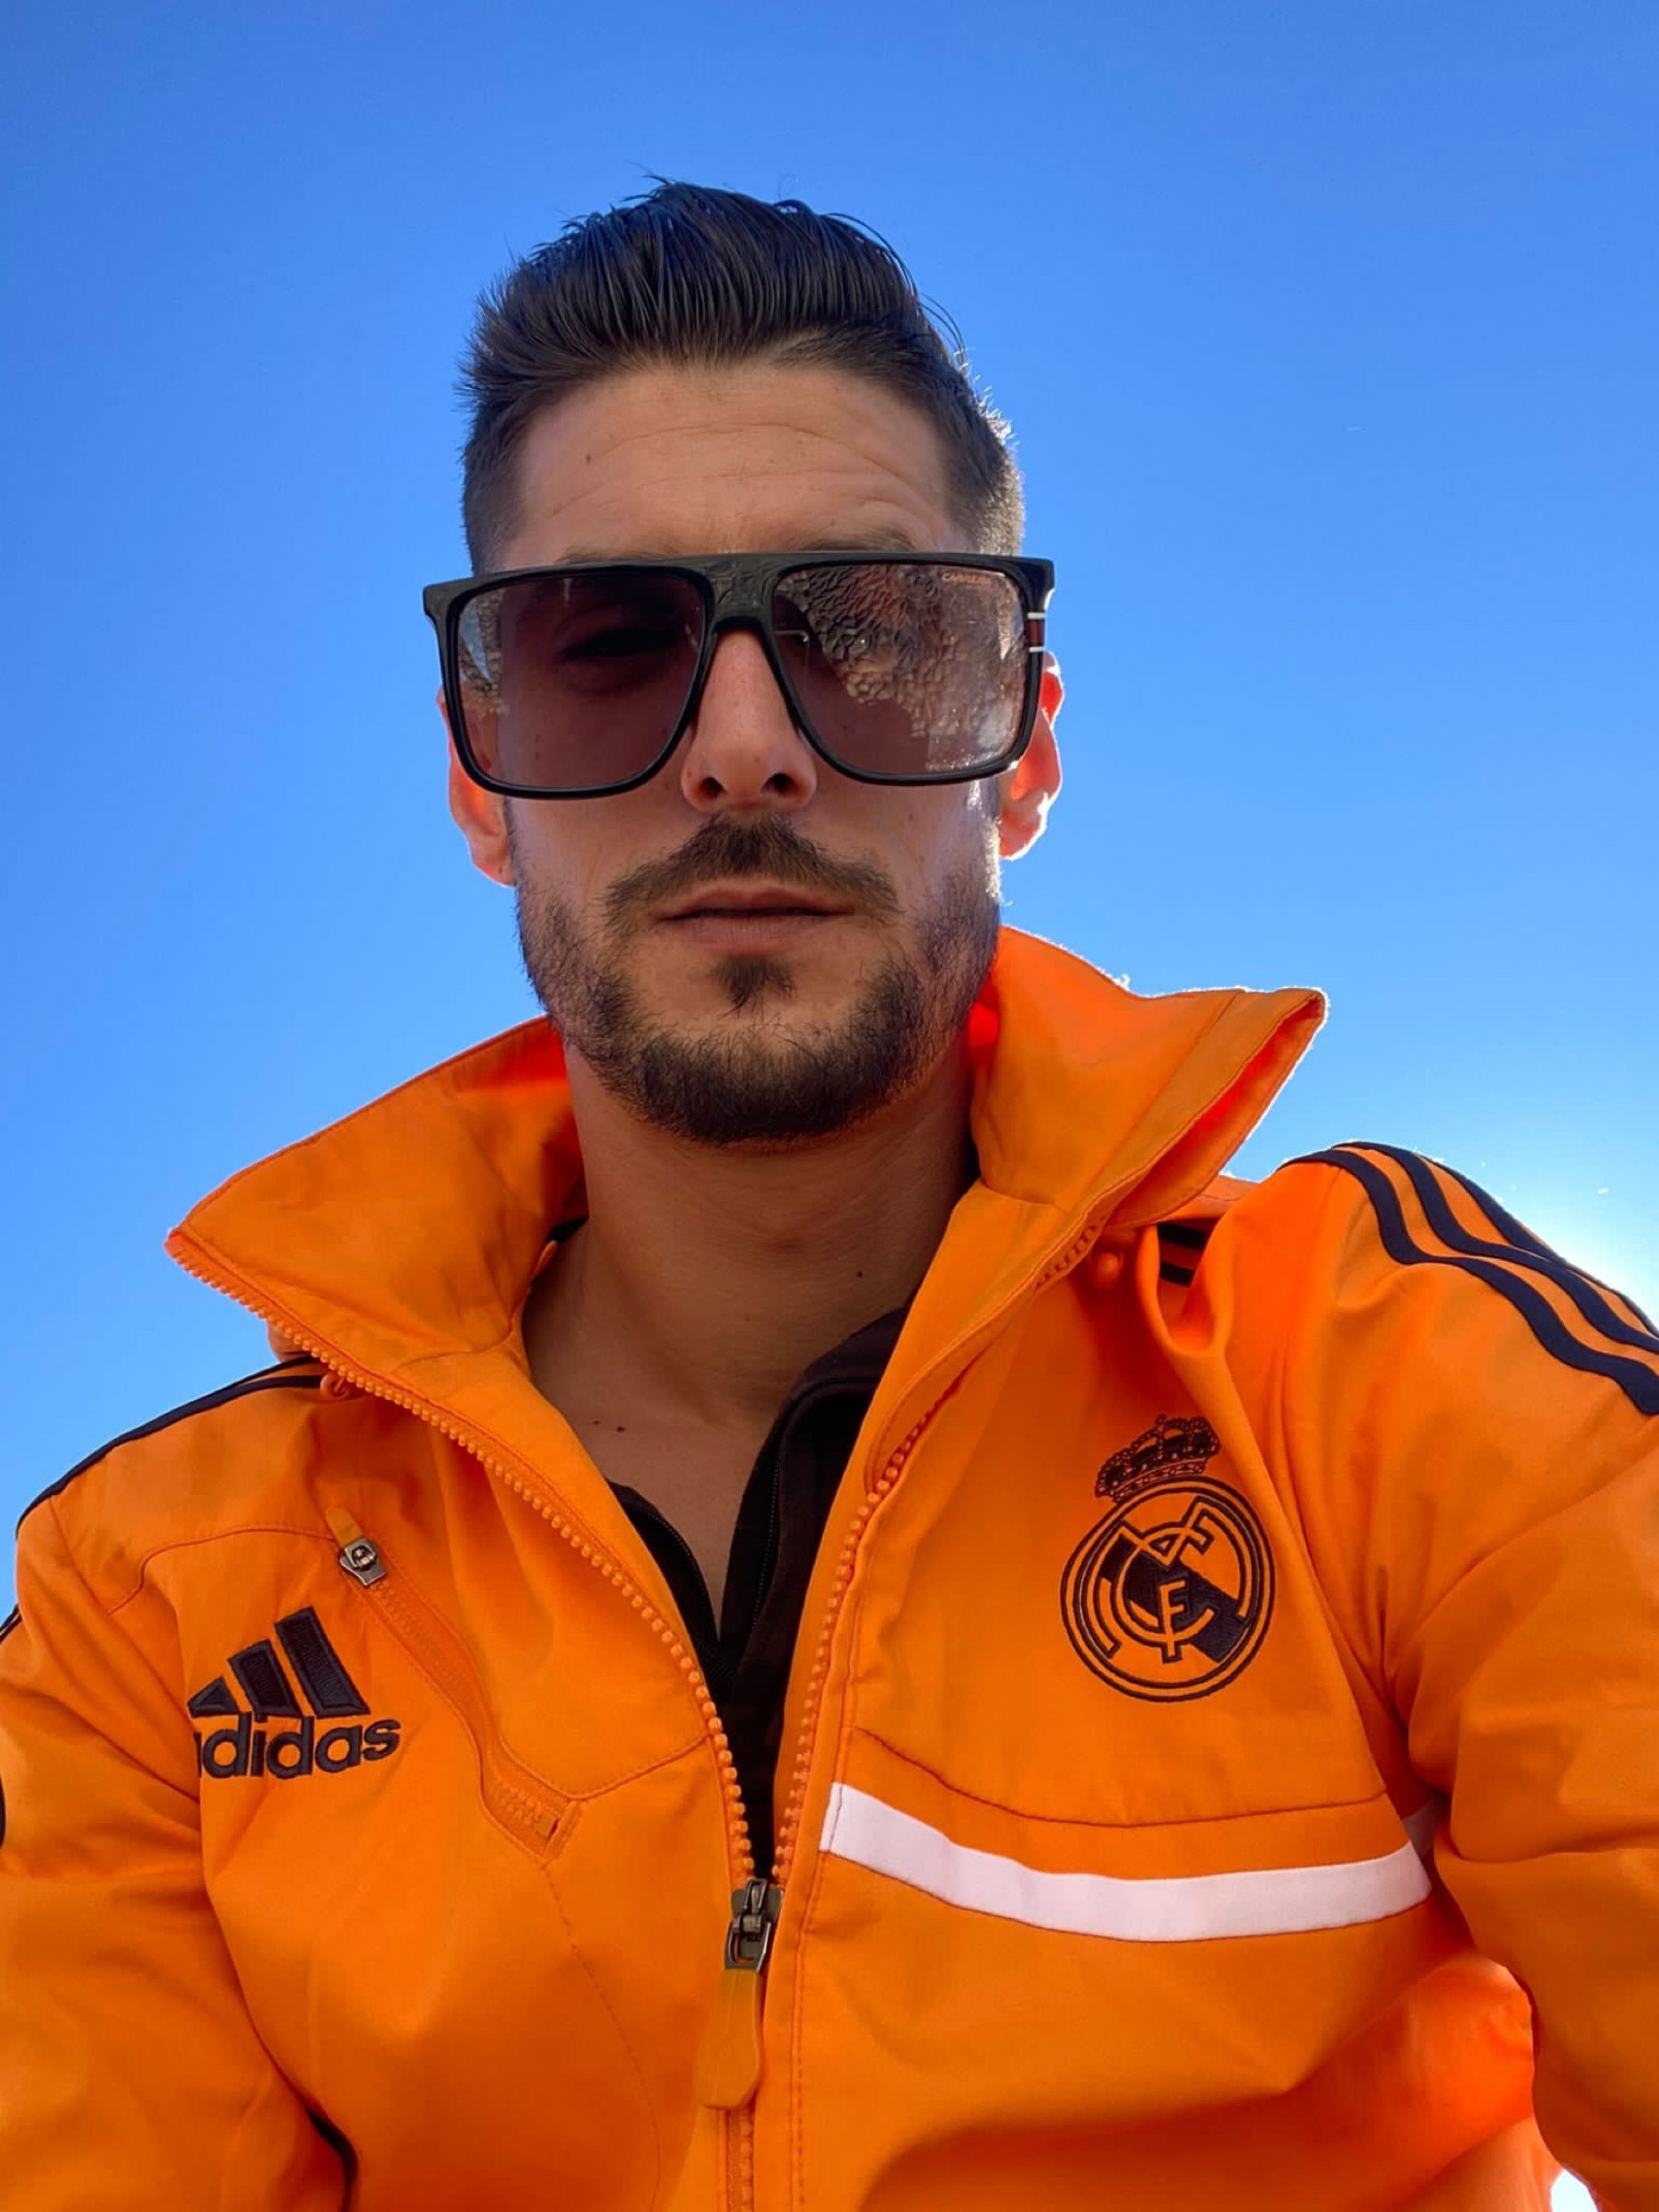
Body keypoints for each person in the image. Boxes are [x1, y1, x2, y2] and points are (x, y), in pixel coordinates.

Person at [0, 182, 1653, 2212]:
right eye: (608, 649)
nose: (744, 751)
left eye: (872, 637)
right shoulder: (156, 1599)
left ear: (1022, 753)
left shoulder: (1389, 1371)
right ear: (480, 772)